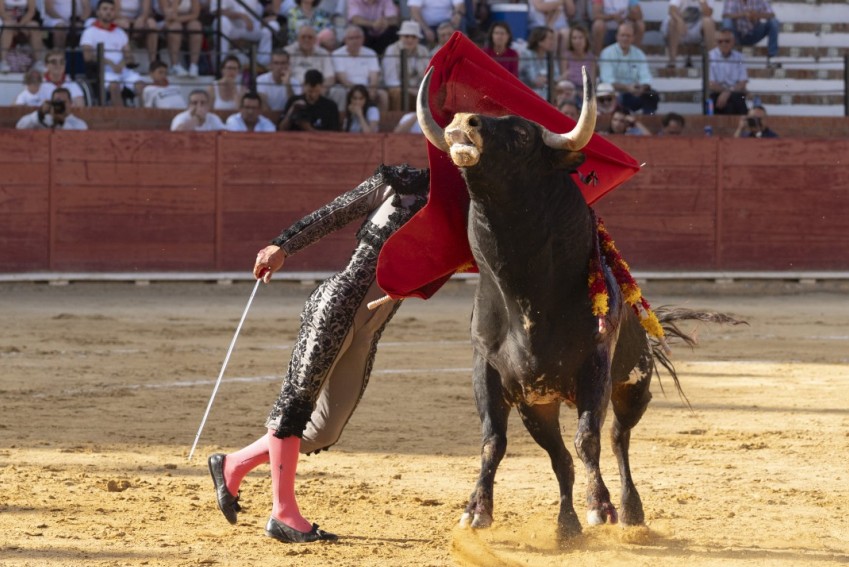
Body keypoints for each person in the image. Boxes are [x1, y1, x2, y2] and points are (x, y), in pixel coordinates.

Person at [206, 164, 431, 543]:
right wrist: (284, 244)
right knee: (296, 403)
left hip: (370, 327)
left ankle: (233, 465)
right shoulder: (404, 183)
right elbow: (336, 211)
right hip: (337, 305)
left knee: (324, 430)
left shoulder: (469, 207)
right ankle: (284, 514)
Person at [80, 0, 145, 107]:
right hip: (103, 71)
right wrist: (110, 63)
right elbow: (87, 57)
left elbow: (129, 56)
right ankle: (120, 119)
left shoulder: (120, 32)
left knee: (142, 86)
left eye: (111, 9)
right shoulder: (89, 32)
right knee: (114, 86)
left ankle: (144, 118)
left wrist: (122, 64)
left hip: (123, 70)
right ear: (98, 12)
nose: (108, 12)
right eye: (105, 9)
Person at [598, 20, 658, 114]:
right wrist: (627, 88)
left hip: (635, 92)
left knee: (651, 94)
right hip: (616, 93)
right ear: (617, 36)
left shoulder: (639, 54)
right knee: (613, 95)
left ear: (633, 38)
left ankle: (648, 119)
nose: (625, 38)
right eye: (623, 35)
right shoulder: (607, 53)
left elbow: (646, 78)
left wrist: (641, 89)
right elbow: (607, 80)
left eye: (628, 36)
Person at [330, 24, 386, 112]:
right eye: (351, 38)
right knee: (338, 91)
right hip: (347, 88)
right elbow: (342, 79)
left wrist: (371, 89)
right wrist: (359, 92)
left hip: (367, 88)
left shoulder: (371, 53)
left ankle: (382, 123)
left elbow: (374, 78)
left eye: (357, 38)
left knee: (382, 95)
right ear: (345, 40)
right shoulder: (337, 54)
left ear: (363, 39)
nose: (355, 41)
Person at [381, 21, 429, 110]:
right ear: (400, 37)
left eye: (413, 37)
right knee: (398, 93)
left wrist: (420, 90)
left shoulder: (423, 50)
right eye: (406, 36)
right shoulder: (391, 50)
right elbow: (391, 81)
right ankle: (398, 121)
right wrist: (411, 90)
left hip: (418, 88)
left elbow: (427, 75)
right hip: (398, 88)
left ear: (418, 39)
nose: (410, 40)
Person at [217, 0, 278, 67]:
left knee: (273, 25)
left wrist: (273, 15)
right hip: (231, 27)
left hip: (251, 26)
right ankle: (222, 64)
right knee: (222, 21)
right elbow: (218, 11)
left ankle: (262, 64)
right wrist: (241, 16)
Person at [722, 0, 780, 68]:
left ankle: (772, 58)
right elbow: (725, 15)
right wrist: (743, 14)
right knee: (727, 22)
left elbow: (771, 14)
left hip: (754, 33)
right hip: (737, 35)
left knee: (773, 22)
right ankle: (727, 56)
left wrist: (756, 15)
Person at [152, 0, 203, 76]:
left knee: (196, 26)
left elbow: (195, 14)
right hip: (163, 21)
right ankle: (175, 65)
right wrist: (176, 2)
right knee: (176, 27)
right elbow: (169, 15)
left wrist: (178, 19)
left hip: (184, 19)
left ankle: (194, 65)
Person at [661, 0, 715, 68]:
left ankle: (713, 60)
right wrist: (679, 20)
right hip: (679, 29)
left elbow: (708, 13)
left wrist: (702, 2)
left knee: (708, 21)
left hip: (696, 30)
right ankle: (672, 61)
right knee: (673, 21)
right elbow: (671, 9)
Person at [708, 27, 748, 115]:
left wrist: (728, 92)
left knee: (738, 98)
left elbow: (743, 82)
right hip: (716, 93)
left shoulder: (739, 57)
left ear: (733, 42)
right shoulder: (710, 56)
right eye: (720, 41)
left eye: (727, 41)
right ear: (716, 42)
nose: (723, 44)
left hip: (735, 92)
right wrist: (725, 92)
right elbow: (710, 83)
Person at [285, 24, 336, 88]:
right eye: (303, 37)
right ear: (297, 39)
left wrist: (320, 91)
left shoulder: (323, 53)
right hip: (293, 90)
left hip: (317, 90)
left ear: (315, 40)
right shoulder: (287, 52)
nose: (306, 40)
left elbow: (330, 77)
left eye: (310, 37)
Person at [0, 0, 45, 72]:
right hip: (6, 20)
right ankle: (3, 61)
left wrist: (20, 25)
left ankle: (38, 61)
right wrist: (13, 24)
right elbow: (1, 11)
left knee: (34, 26)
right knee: (8, 26)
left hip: (23, 21)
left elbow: (31, 11)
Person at [16, 87, 89, 130]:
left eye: (63, 102)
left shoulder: (78, 123)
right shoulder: (45, 119)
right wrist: (40, 113)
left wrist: (62, 122)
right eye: (57, 102)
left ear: (70, 103)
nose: (60, 105)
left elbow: (77, 139)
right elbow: (20, 126)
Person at [519, 26, 560, 101]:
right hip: (530, 90)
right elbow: (534, 80)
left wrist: (546, 79)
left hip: (547, 88)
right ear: (539, 41)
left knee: (567, 87)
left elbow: (556, 76)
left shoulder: (551, 55)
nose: (552, 42)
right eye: (550, 39)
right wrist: (550, 79)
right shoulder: (527, 54)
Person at [561, 24, 595, 91]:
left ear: (586, 39)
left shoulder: (591, 57)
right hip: (570, 90)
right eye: (574, 38)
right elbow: (564, 79)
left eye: (580, 37)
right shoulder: (566, 56)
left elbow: (592, 81)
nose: (577, 41)